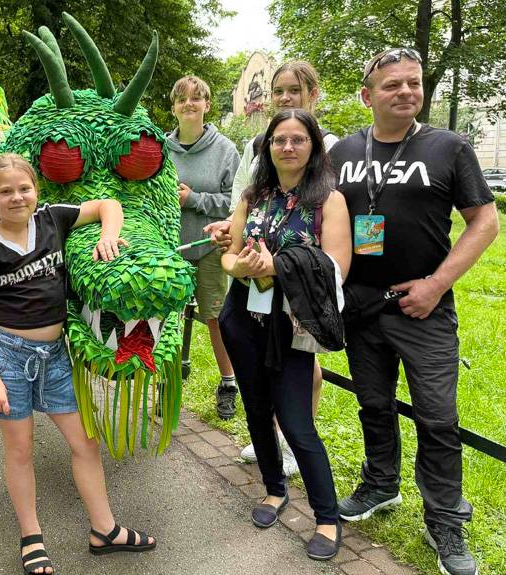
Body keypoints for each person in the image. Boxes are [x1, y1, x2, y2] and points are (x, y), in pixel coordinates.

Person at [329, 48, 498, 575]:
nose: (406, 92)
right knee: (373, 404)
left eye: (413, 83)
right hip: (360, 305)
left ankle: (445, 518)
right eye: (391, 85)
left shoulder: (448, 146)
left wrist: (435, 284)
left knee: (438, 417)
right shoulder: (345, 152)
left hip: (423, 309)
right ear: (366, 95)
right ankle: (381, 485)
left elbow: (484, 222)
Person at [0, 154, 155, 575]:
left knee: (85, 441)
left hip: (55, 356)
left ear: (36, 190)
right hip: (8, 356)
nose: (17, 197)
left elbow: (110, 204)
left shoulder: (53, 219)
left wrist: (108, 234)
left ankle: (104, 529)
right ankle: (31, 537)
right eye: (6, 191)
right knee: (20, 449)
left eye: (24, 188)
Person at [217, 109, 351, 561]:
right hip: (242, 318)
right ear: (267, 146)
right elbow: (229, 257)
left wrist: (277, 265)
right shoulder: (254, 197)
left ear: (313, 146)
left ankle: (327, 517)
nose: (288, 147)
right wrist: (243, 266)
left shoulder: (328, 201)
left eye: (297, 139)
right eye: (279, 140)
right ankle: (275, 491)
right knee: (256, 411)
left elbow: (336, 266)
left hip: (290, 326)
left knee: (295, 422)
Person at [229, 61, 338, 474]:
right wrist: (231, 229)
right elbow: (245, 196)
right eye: (279, 91)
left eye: (295, 90)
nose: (286, 97)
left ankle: (296, 439)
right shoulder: (260, 143)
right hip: (257, 273)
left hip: (302, 272)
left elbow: (341, 211)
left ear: (314, 93)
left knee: (302, 359)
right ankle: (270, 437)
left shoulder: (330, 145)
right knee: (266, 356)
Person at [166, 75, 241, 420]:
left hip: (211, 247)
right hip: (171, 248)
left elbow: (237, 201)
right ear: (174, 108)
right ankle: (168, 385)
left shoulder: (225, 150)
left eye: (196, 99)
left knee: (215, 318)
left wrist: (193, 199)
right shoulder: (161, 150)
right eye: (182, 99)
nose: (189, 104)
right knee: (166, 318)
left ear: (207, 105)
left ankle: (228, 384)